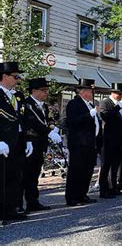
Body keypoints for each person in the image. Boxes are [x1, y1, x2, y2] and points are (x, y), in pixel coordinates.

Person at [21, 78, 62, 212]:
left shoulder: (43, 105)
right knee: (26, 174)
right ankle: (18, 204)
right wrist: (49, 132)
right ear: (34, 91)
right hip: (29, 143)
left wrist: (52, 126)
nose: (46, 93)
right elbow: (33, 122)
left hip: (40, 144)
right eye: (43, 90)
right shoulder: (27, 104)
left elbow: (47, 120)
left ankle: (33, 201)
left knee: (35, 174)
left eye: (46, 90)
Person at [0, 62, 29, 222]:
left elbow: (22, 119)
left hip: (17, 142)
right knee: (2, 178)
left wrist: (28, 140)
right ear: (4, 76)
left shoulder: (17, 96)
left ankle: (10, 209)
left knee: (14, 177)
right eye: (15, 76)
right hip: (3, 144)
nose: (18, 80)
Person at [65, 79, 99, 206]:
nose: (92, 93)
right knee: (76, 170)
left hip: (89, 142)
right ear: (84, 92)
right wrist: (89, 114)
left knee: (87, 170)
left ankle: (82, 194)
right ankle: (72, 197)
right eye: (90, 91)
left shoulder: (89, 104)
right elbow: (73, 121)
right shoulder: (74, 103)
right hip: (78, 143)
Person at [99, 83, 122, 199]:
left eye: (121, 94)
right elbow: (105, 116)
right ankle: (104, 190)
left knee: (115, 165)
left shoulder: (119, 105)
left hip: (119, 139)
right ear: (112, 93)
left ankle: (113, 188)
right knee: (106, 166)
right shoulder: (105, 103)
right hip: (108, 139)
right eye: (118, 93)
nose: (120, 96)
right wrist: (117, 107)